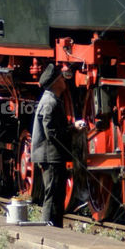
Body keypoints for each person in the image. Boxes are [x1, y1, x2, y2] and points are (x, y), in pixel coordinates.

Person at [30, 63, 86, 228]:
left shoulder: (51, 100)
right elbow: (52, 132)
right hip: (51, 154)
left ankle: (55, 227)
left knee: (57, 193)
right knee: (53, 193)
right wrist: (72, 129)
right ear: (55, 82)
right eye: (62, 78)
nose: (64, 81)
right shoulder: (50, 102)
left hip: (52, 154)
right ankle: (48, 228)